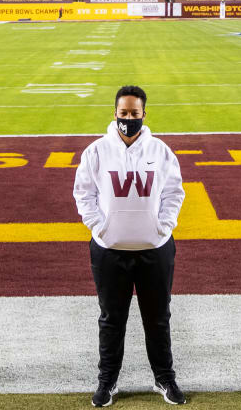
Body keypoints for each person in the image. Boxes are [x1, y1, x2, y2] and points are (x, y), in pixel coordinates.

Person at [73, 85, 187, 407]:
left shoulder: (161, 151)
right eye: (123, 113)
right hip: (109, 251)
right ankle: (107, 382)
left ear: (143, 115)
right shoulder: (96, 152)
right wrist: (100, 227)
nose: (128, 119)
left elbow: (174, 194)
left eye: (134, 114)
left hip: (155, 250)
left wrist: (162, 227)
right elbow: (83, 194)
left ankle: (164, 379)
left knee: (158, 318)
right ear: (115, 113)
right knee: (112, 319)